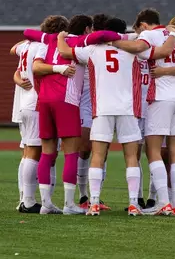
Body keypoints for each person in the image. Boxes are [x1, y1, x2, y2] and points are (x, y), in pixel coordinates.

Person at [59, 17, 175, 216]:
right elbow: (163, 51)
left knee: (97, 156)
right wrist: (172, 34)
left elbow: (64, 51)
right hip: (128, 109)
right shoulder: (134, 50)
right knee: (131, 157)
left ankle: (94, 203)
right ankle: (133, 204)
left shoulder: (92, 50)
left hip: (102, 109)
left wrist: (61, 36)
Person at [112, 8, 175, 216]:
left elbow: (138, 47)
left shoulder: (150, 35)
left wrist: (113, 41)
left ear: (144, 25)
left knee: (153, 150)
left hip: (160, 98)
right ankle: (174, 205)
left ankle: (162, 203)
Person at [26, 15, 127, 214]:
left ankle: (46, 204)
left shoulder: (49, 40)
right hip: (67, 99)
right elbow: (104, 35)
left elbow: (27, 33)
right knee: (71, 153)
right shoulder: (80, 41)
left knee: (47, 153)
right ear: (87, 29)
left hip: (44, 100)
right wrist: (126, 38)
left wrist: (54, 36)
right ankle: (69, 204)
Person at [11, 16, 70, 213]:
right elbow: (37, 69)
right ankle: (28, 201)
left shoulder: (27, 45)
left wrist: (17, 77)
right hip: (36, 102)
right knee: (36, 152)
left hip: (24, 103)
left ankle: (23, 198)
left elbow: (14, 49)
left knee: (28, 151)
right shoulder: (42, 47)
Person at [77, 13, 112, 211]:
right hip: (86, 104)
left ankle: (95, 197)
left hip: (102, 106)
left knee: (101, 152)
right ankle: (83, 197)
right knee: (85, 150)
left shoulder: (115, 46)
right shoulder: (86, 47)